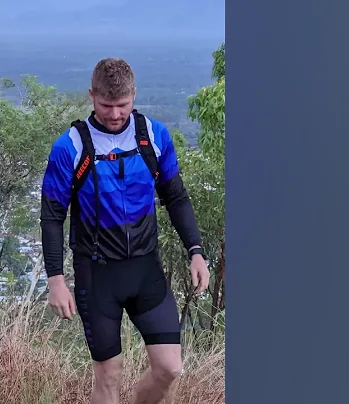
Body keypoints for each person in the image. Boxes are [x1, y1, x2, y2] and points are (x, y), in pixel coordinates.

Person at [39, 57, 210, 404]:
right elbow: (52, 216)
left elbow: (176, 197)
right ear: (91, 96)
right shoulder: (70, 147)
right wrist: (55, 279)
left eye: (122, 105)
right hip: (97, 273)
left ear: (134, 96)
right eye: (106, 105)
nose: (115, 114)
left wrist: (196, 250)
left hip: (146, 269)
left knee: (170, 368)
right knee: (109, 374)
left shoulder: (153, 136)